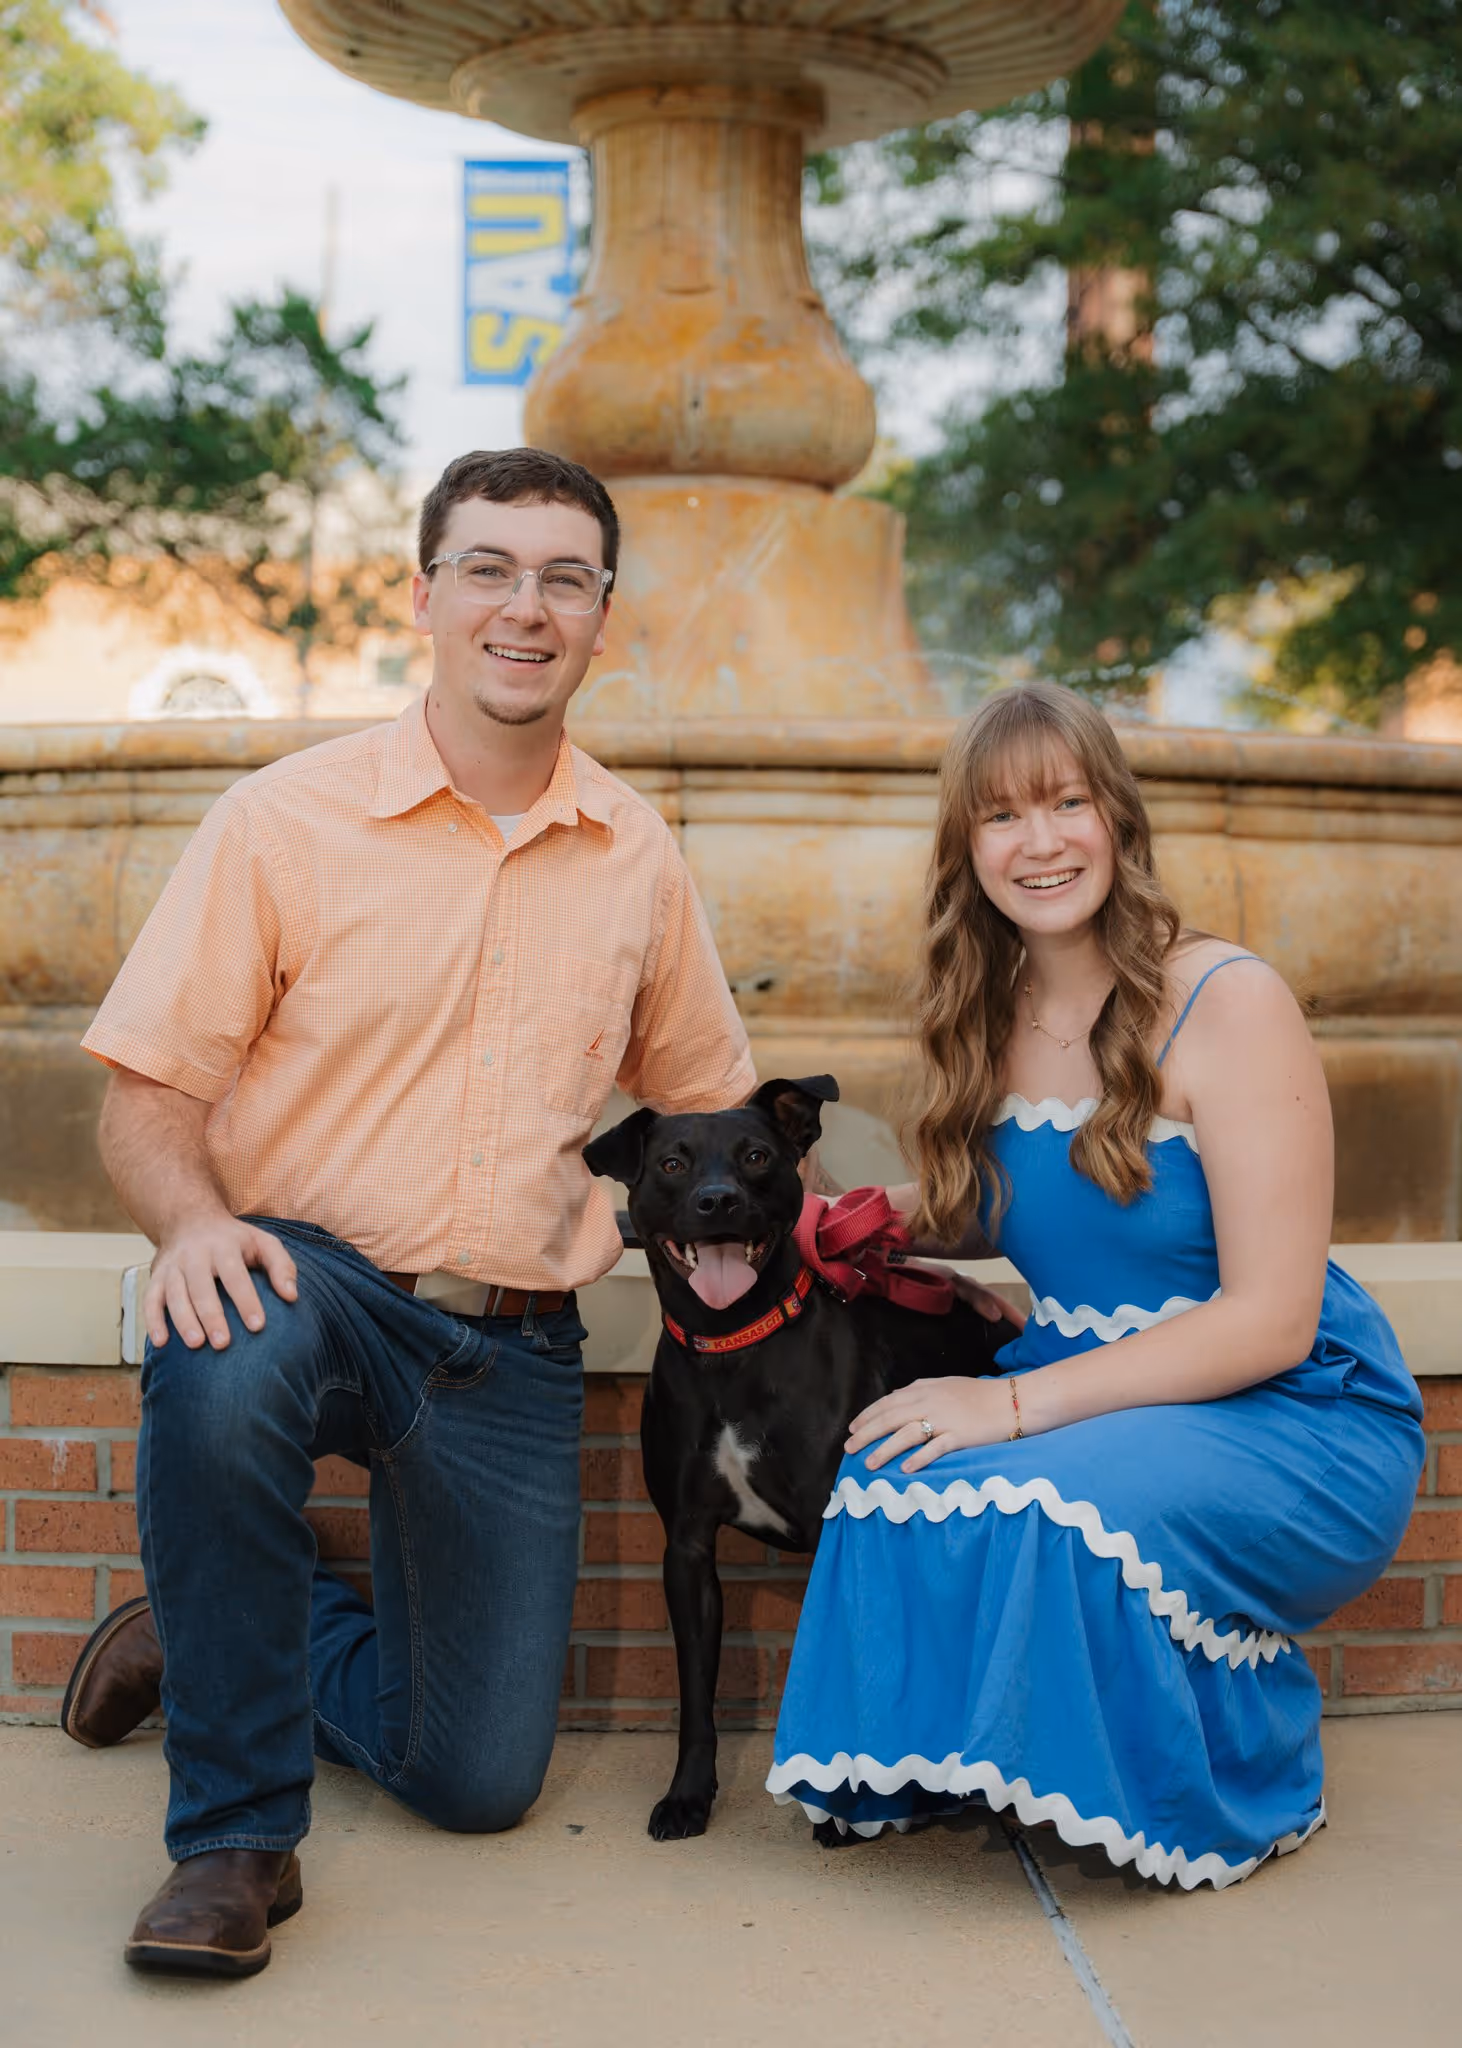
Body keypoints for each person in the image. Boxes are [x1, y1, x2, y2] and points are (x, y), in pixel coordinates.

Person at [63, 447, 755, 1976]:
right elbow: (148, 1097)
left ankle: (212, 1626)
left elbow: (709, 1117)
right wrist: (190, 1224)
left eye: (563, 577)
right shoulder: (282, 821)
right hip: (312, 1279)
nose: (527, 607)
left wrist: (873, 1233)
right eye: (491, 569)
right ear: (426, 594)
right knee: (224, 1347)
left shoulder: (638, 856)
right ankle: (236, 1844)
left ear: (602, 615)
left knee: (475, 1780)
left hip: (510, 1344)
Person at [767, 680, 1425, 1887]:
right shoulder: (989, 1005)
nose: (1041, 840)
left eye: (1066, 801)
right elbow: (1025, 1204)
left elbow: (1271, 1317)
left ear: (1115, 819)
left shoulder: (1228, 1001)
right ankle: (962, 1764)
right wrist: (856, 1220)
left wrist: (1008, 1404)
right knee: (884, 1472)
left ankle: (1229, 1768)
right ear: (968, 848)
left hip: (1291, 1407)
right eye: (1003, 815)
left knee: (1035, 1499)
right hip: (1103, 1384)